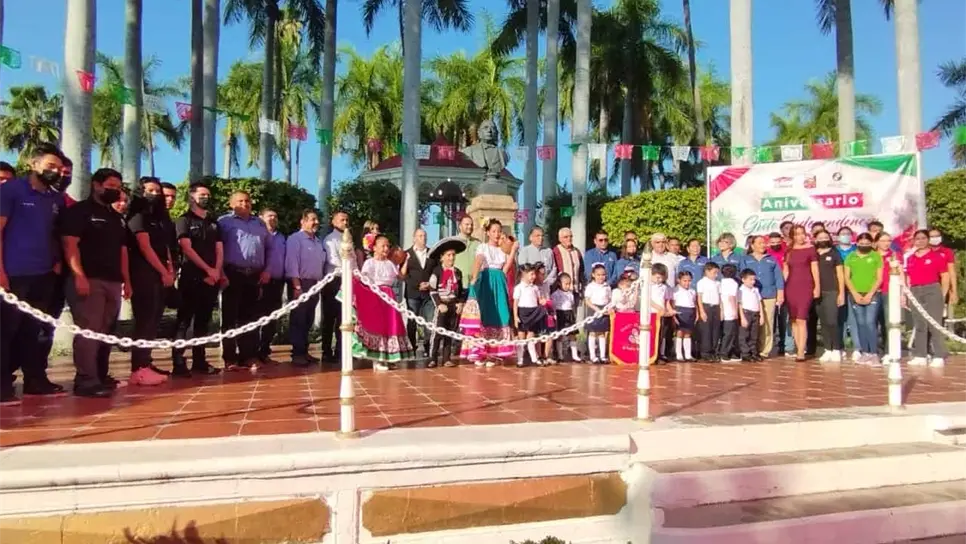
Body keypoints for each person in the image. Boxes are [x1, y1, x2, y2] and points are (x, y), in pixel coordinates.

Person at [60, 168, 128, 397]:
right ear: (96, 185)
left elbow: (121, 252)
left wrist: (125, 282)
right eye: (110, 185)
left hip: (112, 281)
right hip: (89, 280)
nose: (115, 190)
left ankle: (100, 375)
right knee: (89, 331)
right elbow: (70, 245)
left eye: (118, 187)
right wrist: (79, 276)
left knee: (106, 330)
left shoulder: (116, 218)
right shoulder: (79, 212)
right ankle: (86, 380)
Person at [170, 181, 223, 377]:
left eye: (208, 195)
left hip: (211, 279)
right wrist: (207, 269)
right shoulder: (183, 220)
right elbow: (186, 248)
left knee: (203, 322)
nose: (206, 198)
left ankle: (199, 361)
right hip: (191, 277)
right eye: (202, 194)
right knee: (184, 321)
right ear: (192, 197)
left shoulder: (213, 223)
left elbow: (219, 248)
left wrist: (216, 271)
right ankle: (178, 362)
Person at [126, 177, 175, 384]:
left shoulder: (161, 219)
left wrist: (170, 269)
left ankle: (146, 362)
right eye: (150, 190)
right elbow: (144, 247)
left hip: (161, 274)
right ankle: (138, 367)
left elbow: (165, 247)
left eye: (158, 191)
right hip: (143, 273)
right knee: (145, 321)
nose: (155, 195)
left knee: (154, 321)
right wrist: (162, 270)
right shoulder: (138, 217)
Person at [218, 191, 274, 371]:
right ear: (231, 203)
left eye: (247, 200)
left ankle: (248, 356)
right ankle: (229, 358)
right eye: (240, 201)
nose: (245, 203)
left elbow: (269, 249)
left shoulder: (259, 223)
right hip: (232, 273)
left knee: (250, 318)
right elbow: (216, 249)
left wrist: (267, 270)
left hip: (254, 275)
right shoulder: (223, 222)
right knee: (230, 317)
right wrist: (221, 273)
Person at [459, 219, 517, 365]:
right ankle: (480, 352)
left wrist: (513, 251)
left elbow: (505, 268)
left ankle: (494, 353)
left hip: (499, 281)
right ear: (488, 233)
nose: (497, 234)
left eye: (499, 231)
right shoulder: (483, 247)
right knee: (484, 315)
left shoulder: (502, 249)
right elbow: (478, 261)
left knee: (501, 314)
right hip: (487, 283)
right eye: (494, 231)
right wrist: (474, 276)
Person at [352, 235, 414, 370]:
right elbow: (364, 280)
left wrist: (406, 261)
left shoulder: (390, 264)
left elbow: (401, 276)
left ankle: (390, 357)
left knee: (390, 326)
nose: (386, 249)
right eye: (383, 246)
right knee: (378, 327)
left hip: (389, 296)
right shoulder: (370, 263)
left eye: (387, 246)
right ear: (374, 248)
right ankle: (377, 360)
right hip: (376, 296)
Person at [284, 209, 326, 367]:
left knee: (308, 319)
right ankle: (297, 354)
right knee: (298, 319)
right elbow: (292, 263)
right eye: (312, 219)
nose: (315, 223)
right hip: (300, 283)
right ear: (303, 221)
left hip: (316, 284)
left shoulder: (318, 241)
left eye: (316, 220)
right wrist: (296, 286)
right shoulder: (295, 239)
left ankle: (304, 351)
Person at [904, 230, 949, 367]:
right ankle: (921, 354)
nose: (920, 241)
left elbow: (945, 276)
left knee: (934, 324)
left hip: (932, 289)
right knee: (920, 324)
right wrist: (906, 294)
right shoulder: (911, 258)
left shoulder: (937, 256)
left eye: (923, 238)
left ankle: (939, 355)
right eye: (917, 238)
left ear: (928, 240)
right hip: (915, 290)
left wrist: (943, 294)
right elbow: (908, 277)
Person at [741, 236, 785, 358]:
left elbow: (778, 277)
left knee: (767, 323)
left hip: (768, 295)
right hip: (751, 297)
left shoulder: (772, 259)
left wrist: (780, 293)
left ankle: (764, 350)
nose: (763, 245)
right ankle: (750, 349)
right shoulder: (746, 259)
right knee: (752, 324)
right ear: (752, 245)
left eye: (764, 243)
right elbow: (742, 275)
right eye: (759, 243)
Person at [844, 233, 884, 364]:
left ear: (872, 243)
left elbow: (879, 278)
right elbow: (847, 277)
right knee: (860, 323)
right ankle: (865, 352)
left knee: (870, 322)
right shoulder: (851, 257)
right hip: (855, 294)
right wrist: (854, 293)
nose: (864, 245)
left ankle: (874, 353)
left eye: (867, 243)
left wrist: (870, 294)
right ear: (857, 242)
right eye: (862, 243)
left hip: (872, 294)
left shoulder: (876, 256)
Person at [784, 225, 820, 362]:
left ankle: (801, 352)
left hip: (806, 286)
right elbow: (786, 270)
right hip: (791, 286)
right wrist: (782, 287)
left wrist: (817, 287)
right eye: (797, 234)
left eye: (802, 234)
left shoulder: (810, 249)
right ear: (792, 236)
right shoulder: (789, 251)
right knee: (793, 319)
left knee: (801, 318)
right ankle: (799, 347)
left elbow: (815, 269)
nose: (800, 237)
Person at [255, 208, 286, 364]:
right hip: (261, 281)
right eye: (269, 216)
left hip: (278, 282)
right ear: (261, 217)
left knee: (272, 318)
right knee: (257, 317)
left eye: (275, 216)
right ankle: (251, 353)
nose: (273, 218)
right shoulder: (259, 234)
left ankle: (264, 351)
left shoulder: (281, 237)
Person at [427, 243, 466, 368]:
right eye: (448, 255)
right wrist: (439, 304)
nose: (451, 258)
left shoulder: (458, 272)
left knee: (450, 332)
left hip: (453, 305)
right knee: (438, 332)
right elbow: (432, 290)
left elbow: (460, 291)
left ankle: (446, 358)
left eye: (453, 255)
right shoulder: (437, 272)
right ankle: (432, 358)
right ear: (442, 257)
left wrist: (460, 303)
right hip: (442, 305)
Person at [321, 211, 351, 363]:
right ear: (333, 222)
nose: (345, 222)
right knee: (329, 317)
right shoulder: (330, 239)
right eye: (341, 220)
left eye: (346, 220)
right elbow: (333, 260)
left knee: (343, 316)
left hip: (347, 280)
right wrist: (347, 267)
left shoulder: (349, 239)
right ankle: (326, 351)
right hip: (333, 280)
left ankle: (341, 350)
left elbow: (352, 260)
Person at [813, 230, 845, 363]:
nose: (823, 239)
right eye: (820, 238)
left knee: (832, 321)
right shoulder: (813, 254)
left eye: (826, 237)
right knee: (824, 322)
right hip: (818, 292)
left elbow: (840, 275)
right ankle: (827, 349)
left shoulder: (834, 254)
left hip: (832, 291)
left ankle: (837, 348)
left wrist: (841, 293)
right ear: (815, 240)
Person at [401, 228, 435, 358]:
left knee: (430, 321)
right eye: (420, 236)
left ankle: (428, 347)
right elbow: (404, 275)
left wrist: (430, 284)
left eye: (425, 236)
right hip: (413, 293)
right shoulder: (406, 254)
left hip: (428, 293)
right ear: (414, 238)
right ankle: (411, 348)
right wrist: (416, 285)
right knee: (412, 322)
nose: (423, 238)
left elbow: (436, 271)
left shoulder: (432, 253)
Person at [513, 264, 546, 367]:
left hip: (533, 312)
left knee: (531, 336)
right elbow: (515, 303)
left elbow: (539, 299)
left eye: (534, 274)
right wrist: (515, 317)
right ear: (524, 274)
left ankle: (534, 359)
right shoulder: (519, 287)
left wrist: (543, 301)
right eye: (531, 274)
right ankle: (520, 359)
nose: (534, 276)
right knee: (522, 337)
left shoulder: (535, 287)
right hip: (523, 312)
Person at [875, 231, 898, 354]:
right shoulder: (872, 255)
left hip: (889, 292)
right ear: (877, 242)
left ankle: (889, 350)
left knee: (888, 322)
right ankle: (873, 350)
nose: (886, 243)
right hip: (874, 292)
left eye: (888, 241)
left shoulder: (894, 255)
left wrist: (902, 293)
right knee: (873, 322)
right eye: (883, 241)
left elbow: (901, 274)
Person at [584, 263, 611, 364]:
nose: (601, 277)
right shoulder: (590, 286)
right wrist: (595, 309)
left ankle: (602, 355)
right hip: (593, 309)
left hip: (604, 309)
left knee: (602, 333)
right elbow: (587, 300)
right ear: (593, 275)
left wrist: (608, 309)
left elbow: (609, 299)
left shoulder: (607, 286)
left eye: (603, 275)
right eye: (598, 275)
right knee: (592, 332)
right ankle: (592, 356)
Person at [695, 263, 721, 361]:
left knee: (715, 330)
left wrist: (721, 311)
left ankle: (713, 351)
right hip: (706, 307)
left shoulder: (718, 283)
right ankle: (705, 353)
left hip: (716, 307)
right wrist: (702, 311)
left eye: (717, 273)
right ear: (707, 271)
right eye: (714, 272)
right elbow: (699, 298)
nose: (716, 275)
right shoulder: (701, 282)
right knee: (706, 331)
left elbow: (719, 297)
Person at [551, 273, 580, 362]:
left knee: (572, 335)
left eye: (569, 284)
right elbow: (553, 305)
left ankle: (575, 355)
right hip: (560, 314)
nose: (568, 286)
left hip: (569, 313)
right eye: (566, 284)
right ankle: (560, 355)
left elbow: (572, 303)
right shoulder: (555, 294)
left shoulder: (570, 294)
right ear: (560, 283)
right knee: (560, 335)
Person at [738, 269, 764, 362]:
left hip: (755, 314)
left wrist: (762, 315)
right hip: (746, 313)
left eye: (754, 279)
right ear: (743, 279)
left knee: (754, 335)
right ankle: (746, 353)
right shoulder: (740, 290)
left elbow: (759, 302)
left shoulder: (755, 290)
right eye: (750, 279)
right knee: (744, 335)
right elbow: (739, 304)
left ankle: (754, 353)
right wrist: (742, 317)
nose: (753, 282)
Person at [928, 228, 958, 309]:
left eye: (937, 236)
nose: (935, 238)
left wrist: (954, 291)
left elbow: (952, 272)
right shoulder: (924, 251)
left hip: (944, 285)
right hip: (928, 286)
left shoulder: (947, 252)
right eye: (932, 236)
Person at [671, 271, 697, 362]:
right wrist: (673, 315)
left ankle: (688, 355)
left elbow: (694, 303)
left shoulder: (692, 291)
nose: (687, 283)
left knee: (688, 333)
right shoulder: (675, 290)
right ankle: (679, 354)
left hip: (690, 311)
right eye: (684, 281)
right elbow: (673, 303)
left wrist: (696, 314)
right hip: (679, 311)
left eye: (689, 281)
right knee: (679, 332)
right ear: (679, 280)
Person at [648, 263, 671, 363]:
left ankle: (660, 354)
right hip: (652, 313)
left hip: (661, 314)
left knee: (661, 335)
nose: (659, 280)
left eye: (661, 278)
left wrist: (668, 310)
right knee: (652, 335)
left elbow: (666, 300)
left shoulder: (664, 287)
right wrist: (658, 308)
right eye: (657, 277)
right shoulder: (648, 286)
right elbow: (648, 300)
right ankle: (651, 355)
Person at [718, 264, 741, 363]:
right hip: (730, 312)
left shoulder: (720, 282)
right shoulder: (733, 283)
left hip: (722, 310)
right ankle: (725, 354)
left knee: (724, 333)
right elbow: (732, 298)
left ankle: (722, 352)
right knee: (729, 334)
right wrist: (735, 311)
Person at [552, 227, 584, 294]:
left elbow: (581, 270)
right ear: (560, 239)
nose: (569, 239)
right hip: (561, 292)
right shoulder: (556, 251)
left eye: (570, 236)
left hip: (575, 290)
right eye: (566, 237)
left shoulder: (576, 251)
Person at [453, 215, 480, 289]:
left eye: (471, 224)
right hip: (458, 284)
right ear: (460, 226)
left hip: (474, 284)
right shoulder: (453, 242)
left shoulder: (478, 243)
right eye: (467, 224)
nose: (470, 227)